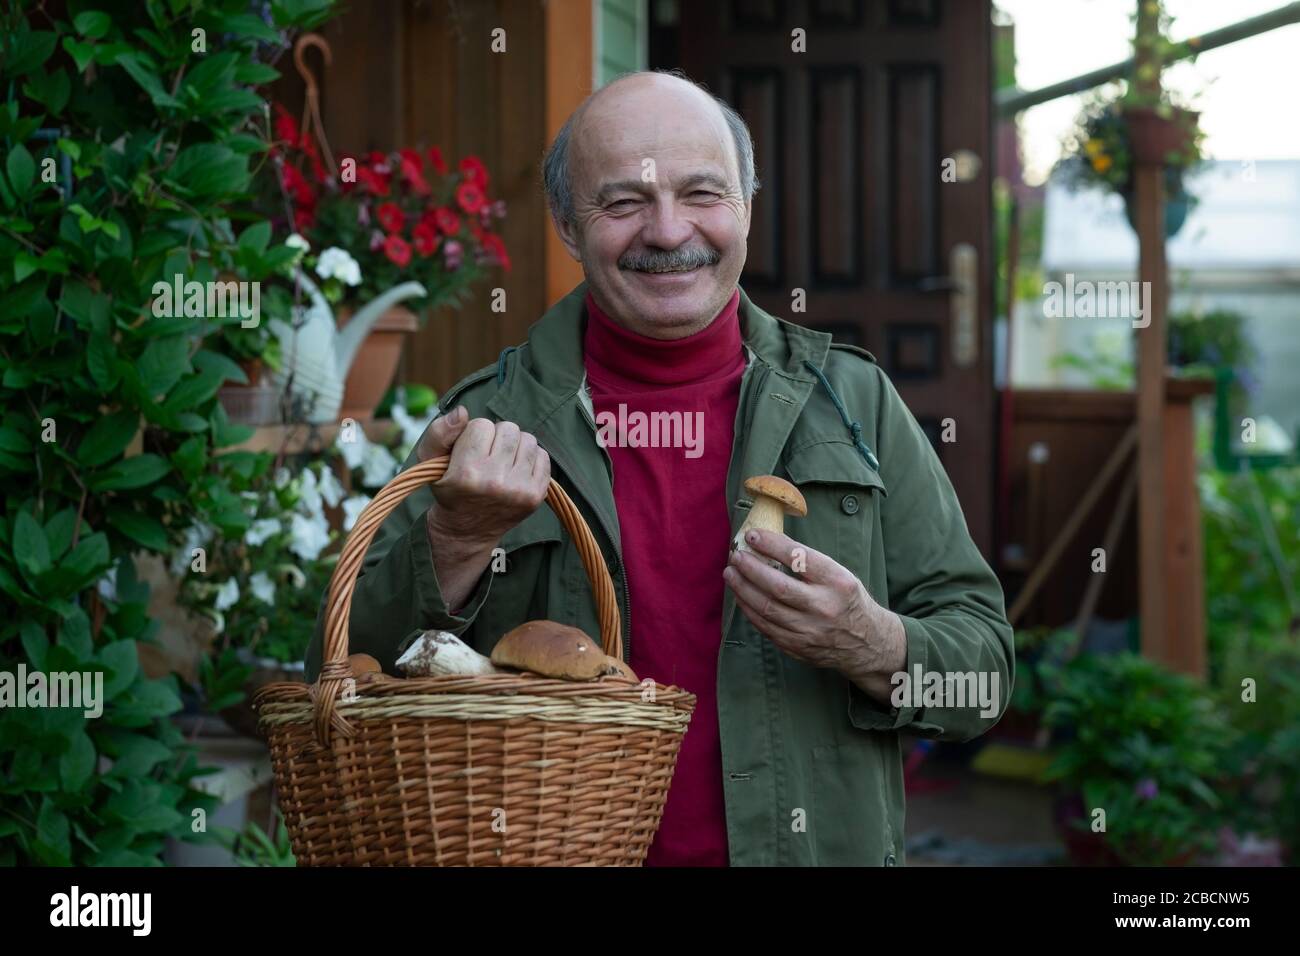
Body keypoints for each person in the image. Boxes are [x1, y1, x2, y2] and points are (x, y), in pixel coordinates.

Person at [307, 70, 1013, 867]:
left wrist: (873, 643)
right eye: (623, 202)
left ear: (747, 205)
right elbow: (338, 686)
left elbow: (981, 684)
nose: (670, 230)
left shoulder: (850, 402)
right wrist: (455, 544)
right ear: (568, 226)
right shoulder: (482, 425)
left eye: (703, 193)